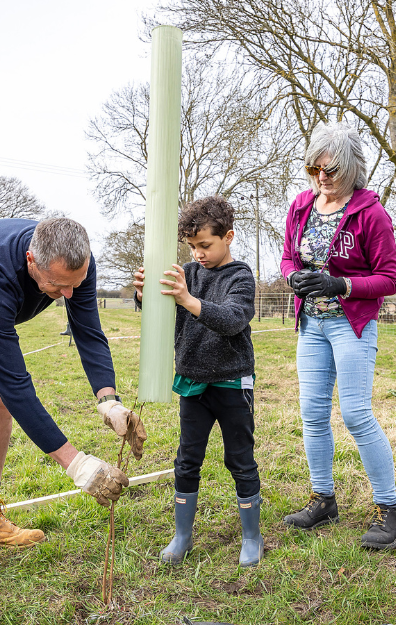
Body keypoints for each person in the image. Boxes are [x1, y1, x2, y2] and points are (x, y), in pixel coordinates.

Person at [0, 217, 144, 586]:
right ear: (31, 260)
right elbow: (17, 383)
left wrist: (108, 401)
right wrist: (77, 465)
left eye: (75, 284)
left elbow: (88, 331)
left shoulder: (78, 263)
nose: (68, 294)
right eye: (57, 285)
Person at [279, 121, 396, 550]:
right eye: (314, 169)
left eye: (329, 170)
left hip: (351, 324)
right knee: (312, 414)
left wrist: (342, 285)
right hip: (311, 326)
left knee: (355, 413)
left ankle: (389, 512)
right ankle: (323, 499)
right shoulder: (301, 206)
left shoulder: (371, 213)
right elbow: (285, 258)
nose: (321, 178)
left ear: (351, 167)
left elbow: (390, 279)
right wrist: (294, 276)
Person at [132, 196, 262, 567]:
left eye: (205, 245)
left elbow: (233, 319)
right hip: (192, 383)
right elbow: (160, 310)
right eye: (192, 247)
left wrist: (188, 299)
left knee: (240, 460)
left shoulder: (240, 276)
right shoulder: (186, 272)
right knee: (187, 460)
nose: (198, 254)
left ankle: (251, 537)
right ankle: (182, 536)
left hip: (232, 383)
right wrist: (144, 294)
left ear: (228, 237)